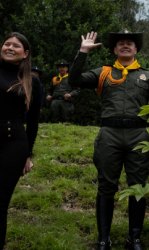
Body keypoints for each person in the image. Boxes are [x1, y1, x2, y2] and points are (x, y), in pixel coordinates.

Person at [68, 30, 149, 250]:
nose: (125, 46)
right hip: (109, 134)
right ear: (114, 50)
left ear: (136, 49)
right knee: (106, 187)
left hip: (139, 135)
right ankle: (104, 239)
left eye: (130, 43)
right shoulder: (103, 72)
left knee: (138, 186)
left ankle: (134, 239)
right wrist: (83, 52)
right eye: (121, 43)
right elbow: (74, 80)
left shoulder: (148, 77)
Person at [0, 32, 41, 248]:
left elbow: (33, 123)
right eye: (6, 44)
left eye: (16, 46)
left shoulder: (32, 81)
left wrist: (28, 155)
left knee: (1, 202)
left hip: (14, 145)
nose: (9, 47)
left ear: (25, 53)